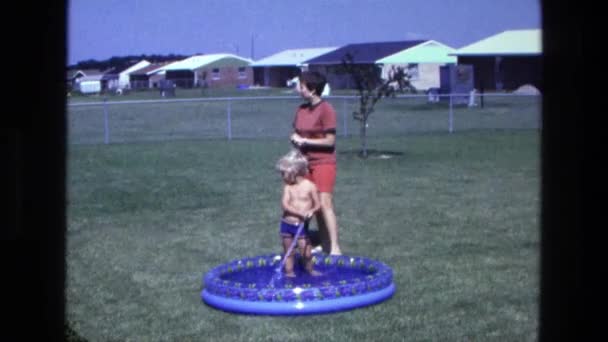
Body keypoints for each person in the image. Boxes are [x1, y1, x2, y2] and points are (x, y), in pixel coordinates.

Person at [290, 71, 342, 255]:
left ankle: (335, 249)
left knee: (324, 203)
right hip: (304, 163)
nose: (298, 89)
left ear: (311, 89)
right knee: (310, 205)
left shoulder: (326, 110)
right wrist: (295, 141)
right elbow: (296, 134)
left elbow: (329, 141)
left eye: (301, 86)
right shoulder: (301, 110)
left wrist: (306, 141)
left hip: (323, 163)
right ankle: (323, 245)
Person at [276, 149, 322, 277]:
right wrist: (300, 212)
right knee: (288, 252)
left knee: (306, 252)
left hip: (300, 226)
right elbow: (285, 205)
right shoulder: (288, 187)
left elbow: (317, 204)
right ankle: (289, 273)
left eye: (283, 173)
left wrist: (311, 211)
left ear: (294, 171)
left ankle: (310, 270)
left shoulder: (310, 186)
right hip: (286, 224)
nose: (282, 177)